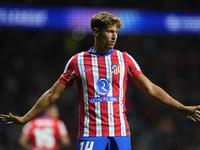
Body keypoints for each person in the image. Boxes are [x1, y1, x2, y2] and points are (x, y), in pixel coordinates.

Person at [1, 12, 200, 150]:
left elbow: (151, 89)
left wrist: (181, 108)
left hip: (121, 134)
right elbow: (53, 94)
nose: (114, 36)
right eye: (109, 31)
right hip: (91, 134)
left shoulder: (125, 59)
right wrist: (26, 118)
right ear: (96, 31)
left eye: (116, 32)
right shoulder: (78, 61)